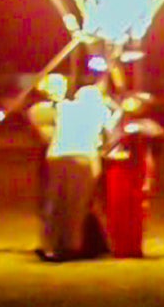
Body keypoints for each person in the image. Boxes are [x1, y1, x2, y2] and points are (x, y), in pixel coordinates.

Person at [40, 69, 116, 261]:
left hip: (56, 155)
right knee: (77, 205)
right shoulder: (101, 110)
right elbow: (111, 135)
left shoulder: (66, 108)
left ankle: (50, 244)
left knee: (55, 202)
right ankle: (72, 245)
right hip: (82, 157)